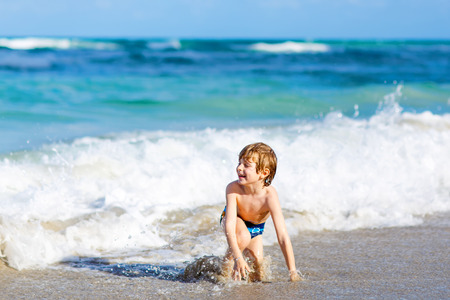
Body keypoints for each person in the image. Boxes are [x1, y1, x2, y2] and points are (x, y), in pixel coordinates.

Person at [220, 142, 301, 282]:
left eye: (246, 165)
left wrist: (292, 271)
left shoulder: (269, 195)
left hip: (255, 227)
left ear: (264, 173)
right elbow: (229, 225)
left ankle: (236, 260)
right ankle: (224, 268)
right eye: (239, 163)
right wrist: (238, 258)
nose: (239, 168)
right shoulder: (233, 189)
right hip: (233, 220)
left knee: (257, 273)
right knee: (243, 237)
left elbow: (282, 236)